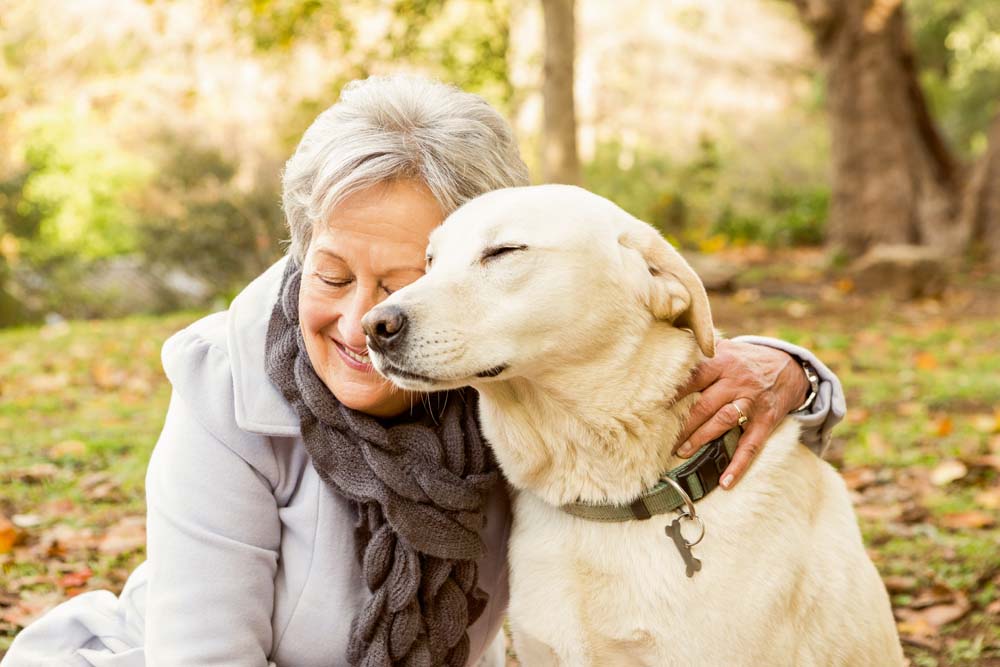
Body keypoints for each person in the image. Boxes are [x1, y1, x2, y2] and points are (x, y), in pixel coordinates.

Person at [1, 75, 845, 667]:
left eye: (404, 283)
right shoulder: (227, 387)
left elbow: (630, 364)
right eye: (331, 275)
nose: (367, 317)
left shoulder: (508, 386)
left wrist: (793, 370)